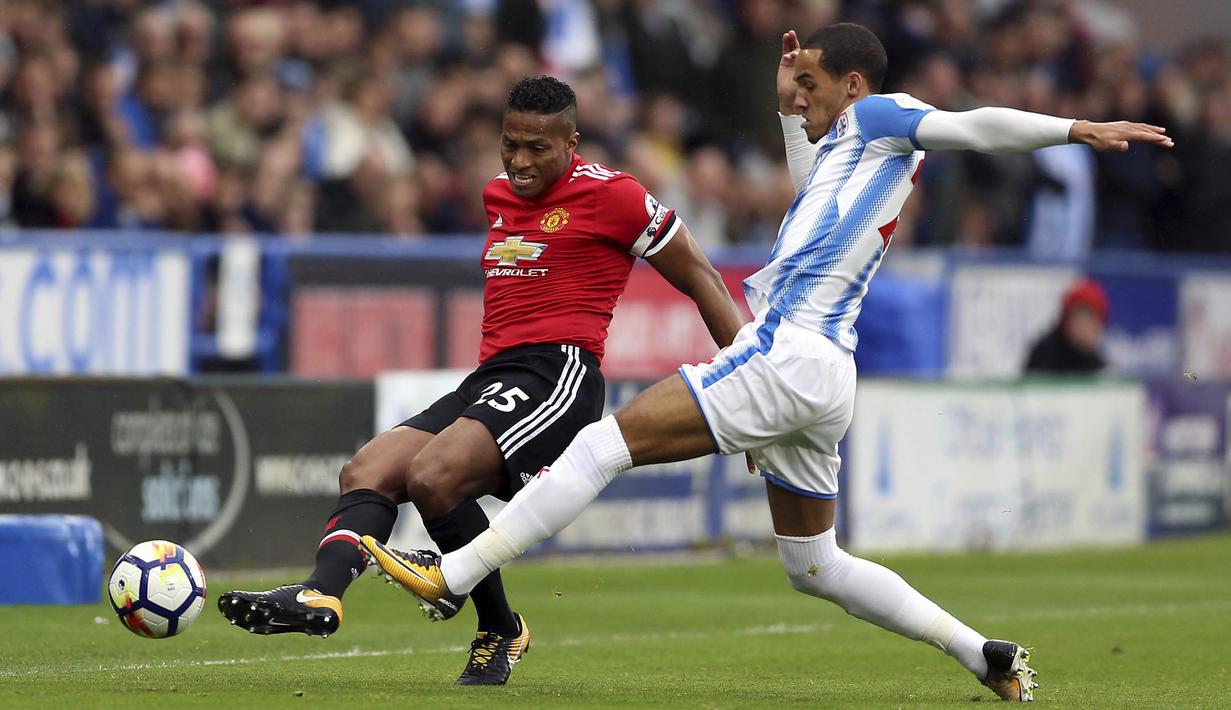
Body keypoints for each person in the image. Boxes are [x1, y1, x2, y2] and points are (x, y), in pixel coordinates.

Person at [359, 24, 1175, 701]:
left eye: (814, 85)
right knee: (815, 566)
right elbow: (811, 184)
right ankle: (981, 653)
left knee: (601, 445)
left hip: (789, 353)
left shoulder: (885, 114)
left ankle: (455, 572)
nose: (803, 95)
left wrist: (1071, 128)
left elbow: (973, 123)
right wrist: (790, 112)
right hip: (820, 373)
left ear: (853, 85)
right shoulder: (852, 153)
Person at [218, 75, 744, 686]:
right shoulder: (497, 192)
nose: (519, 162)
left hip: (561, 374)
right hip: (493, 375)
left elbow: (703, 275)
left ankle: (491, 621)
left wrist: (742, 382)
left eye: (537, 148)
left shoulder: (616, 196)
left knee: (434, 476)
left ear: (572, 142)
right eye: (509, 144)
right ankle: (322, 595)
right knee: (367, 471)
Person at [1024, 277, 1110, 374]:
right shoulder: (1046, 354)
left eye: (1090, 322)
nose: (1083, 329)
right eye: (1078, 320)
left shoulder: (1096, 363)